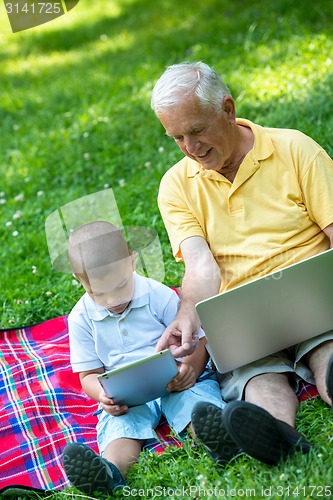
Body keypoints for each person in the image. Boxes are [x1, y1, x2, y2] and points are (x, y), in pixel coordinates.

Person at [151, 61, 333, 466]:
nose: (190, 148)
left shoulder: (294, 149)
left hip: (314, 298)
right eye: (176, 137)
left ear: (228, 109)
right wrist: (188, 313)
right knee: (256, 378)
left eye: (196, 131)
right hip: (244, 318)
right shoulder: (176, 186)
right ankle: (277, 434)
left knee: (328, 350)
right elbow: (200, 265)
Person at [61, 220, 225, 496]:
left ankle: (219, 440)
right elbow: (87, 375)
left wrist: (191, 369)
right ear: (80, 281)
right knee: (121, 426)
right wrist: (103, 396)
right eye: (99, 293)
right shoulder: (80, 319)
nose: (113, 299)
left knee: (194, 403)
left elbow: (197, 337)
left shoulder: (155, 294)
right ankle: (109, 473)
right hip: (128, 396)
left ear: (132, 261)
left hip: (175, 378)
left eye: (120, 286)